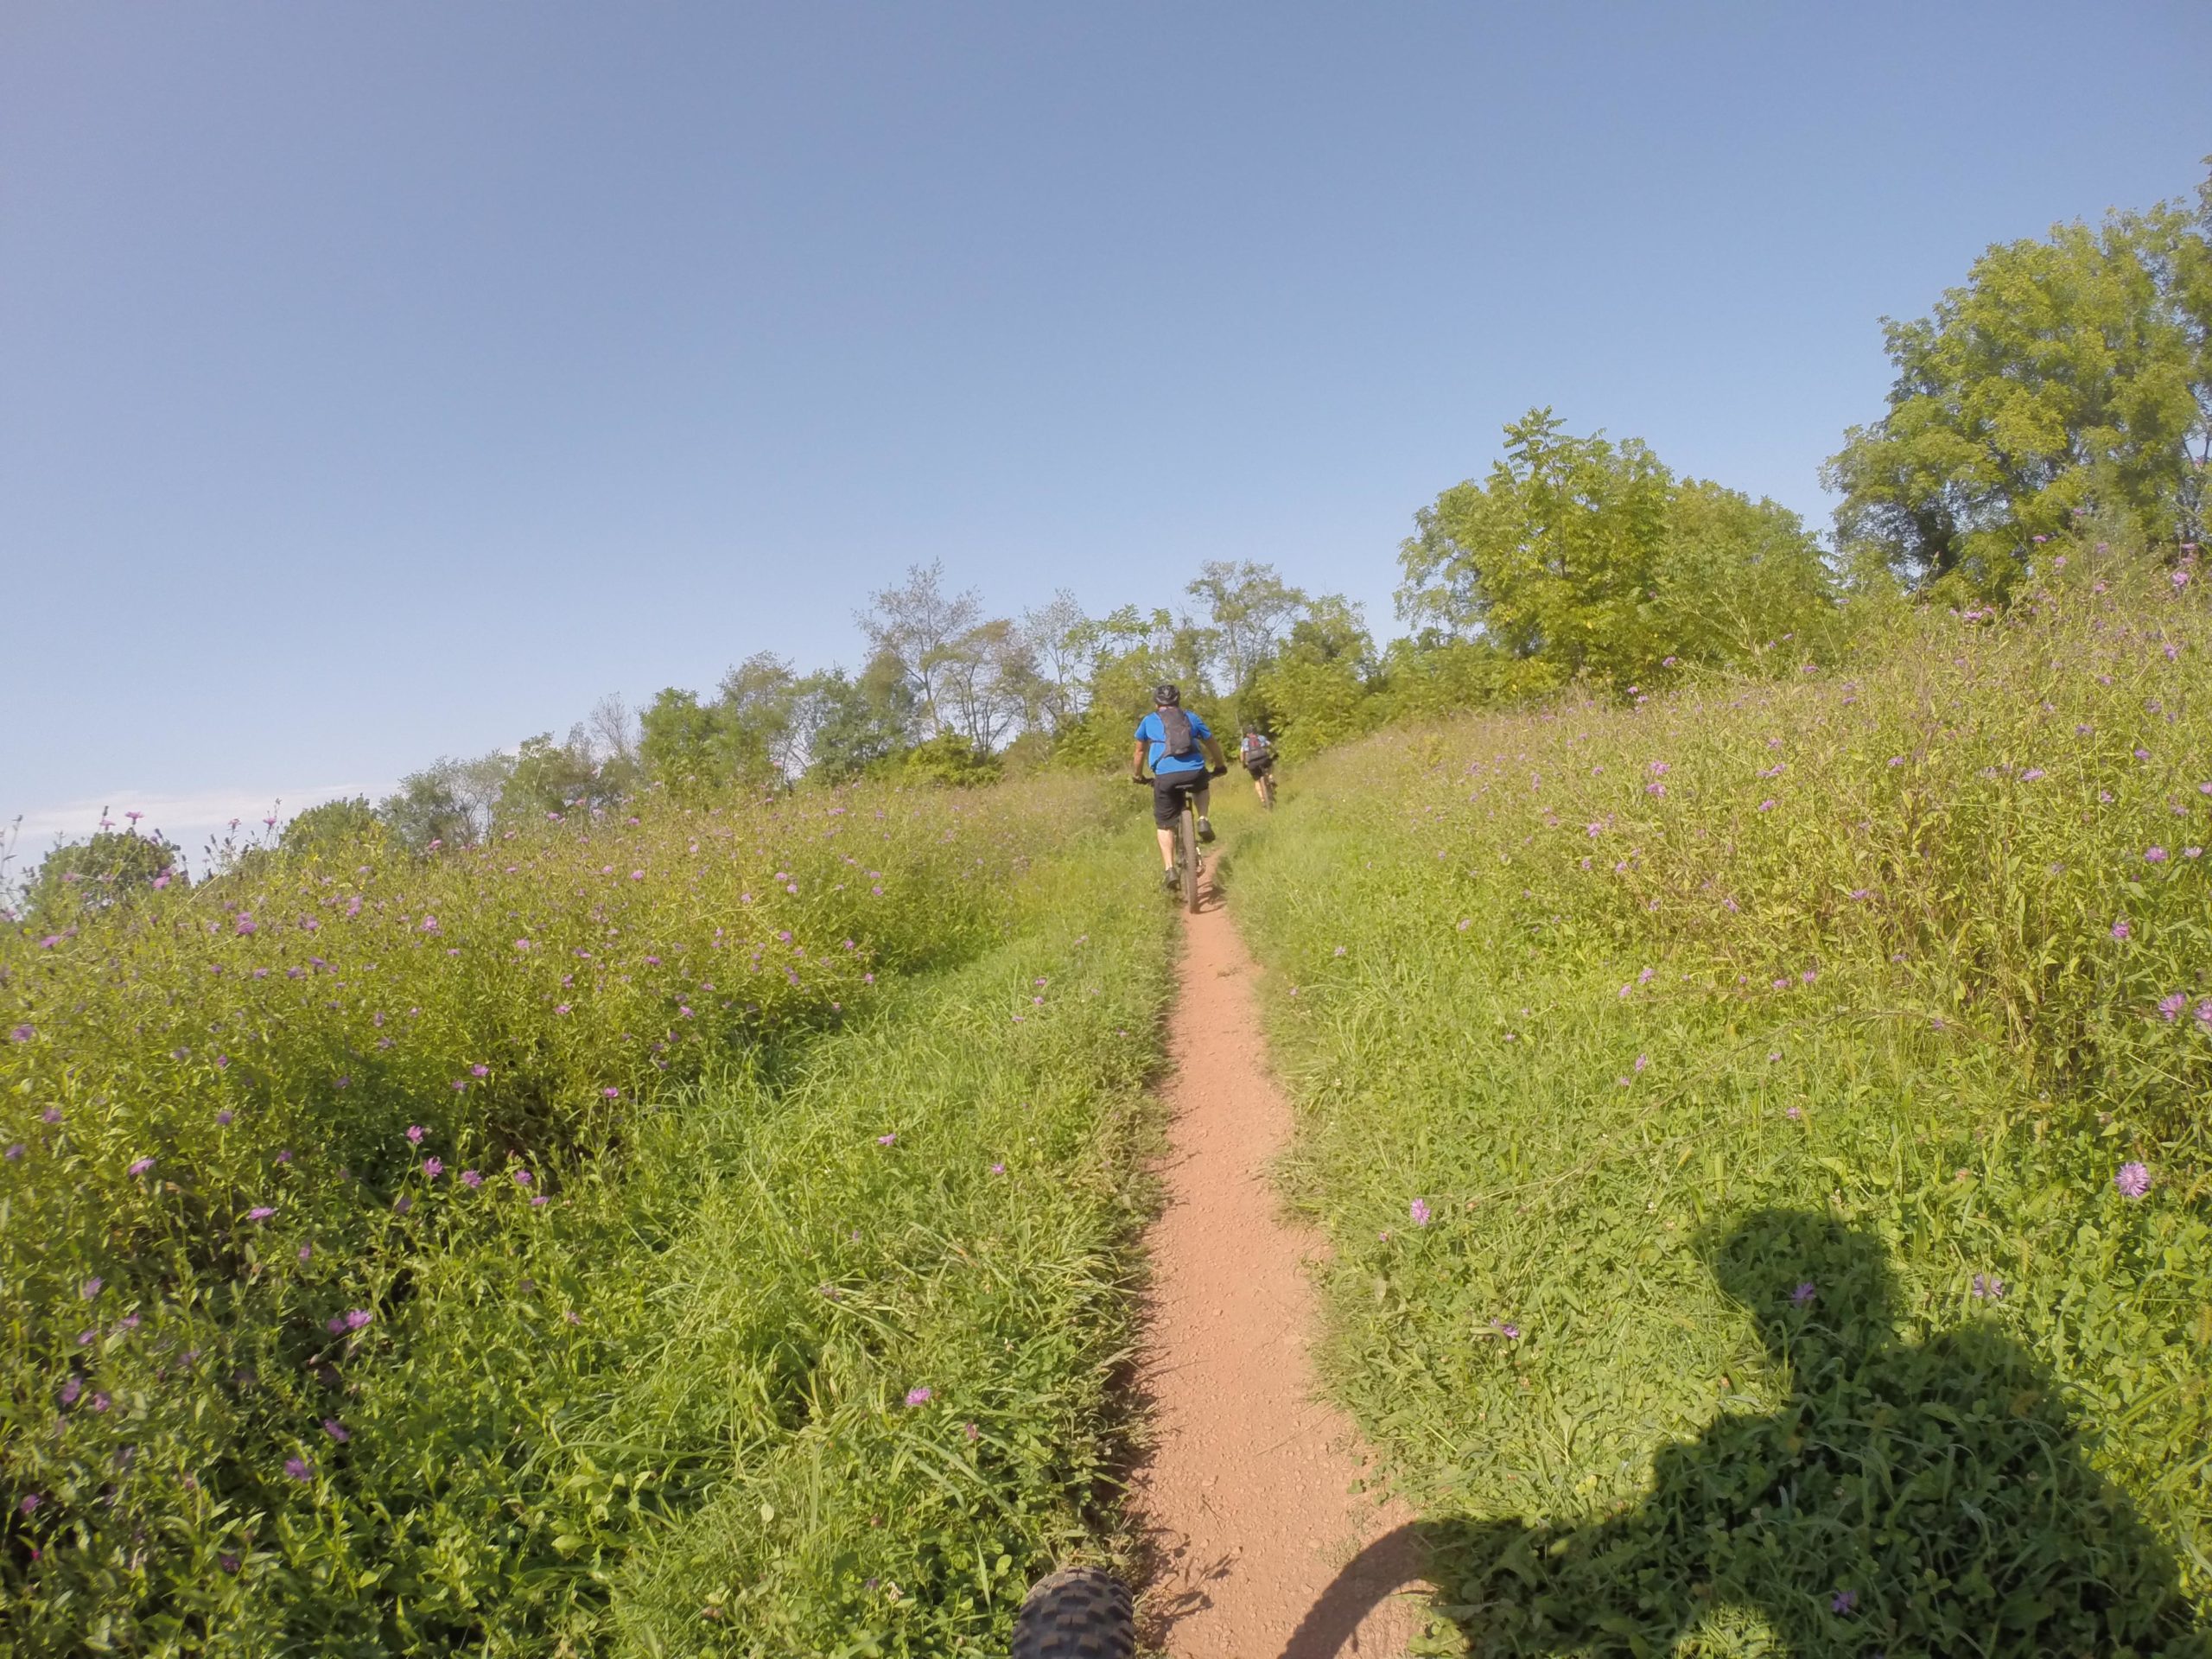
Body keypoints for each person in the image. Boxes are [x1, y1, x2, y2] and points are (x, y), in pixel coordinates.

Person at [1130, 683, 1226, 890]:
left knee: (1164, 824)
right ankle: (1202, 819)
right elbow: (1212, 743)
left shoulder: (1148, 721)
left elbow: (1139, 752)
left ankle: (1170, 869)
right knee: (1202, 785)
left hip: (1165, 776)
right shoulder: (1191, 717)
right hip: (1194, 770)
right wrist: (1220, 766)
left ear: (1157, 703)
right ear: (1178, 700)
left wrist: (1138, 776)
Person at [1238, 722, 1276, 805]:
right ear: (1256, 731)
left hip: (1252, 763)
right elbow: (1270, 745)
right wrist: (1275, 753)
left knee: (1257, 781)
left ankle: (1263, 800)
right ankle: (1270, 776)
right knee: (1270, 765)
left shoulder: (1245, 741)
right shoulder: (1261, 737)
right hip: (1264, 758)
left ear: (1247, 733)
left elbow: (1242, 754)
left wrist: (1243, 764)